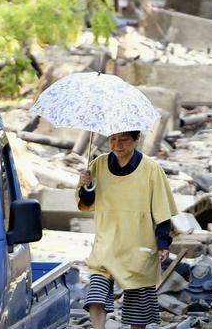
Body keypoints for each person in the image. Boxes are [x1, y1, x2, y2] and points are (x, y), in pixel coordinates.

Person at [76, 131, 178, 329]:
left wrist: (163, 243)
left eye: (123, 140)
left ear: (136, 140)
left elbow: (162, 210)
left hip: (139, 245)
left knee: (138, 310)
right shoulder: (98, 164)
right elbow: (88, 201)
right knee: (95, 296)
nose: (117, 145)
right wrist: (85, 186)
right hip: (107, 243)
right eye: (113, 140)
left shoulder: (151, 169)